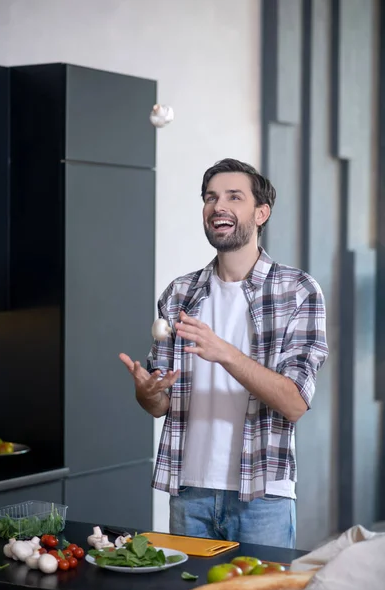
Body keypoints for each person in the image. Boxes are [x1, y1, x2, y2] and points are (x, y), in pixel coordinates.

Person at [119, 158, 328, 549]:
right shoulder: (180, 293)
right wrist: (147, 392)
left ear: (261, 212)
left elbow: (295, 403)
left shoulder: (298, 290)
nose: (219, 206)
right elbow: (161, 405)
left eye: (234, 196)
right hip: (189, 493)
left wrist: (225, 353)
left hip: (263, 496)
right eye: (211, 198)